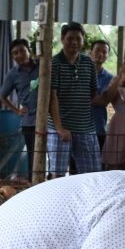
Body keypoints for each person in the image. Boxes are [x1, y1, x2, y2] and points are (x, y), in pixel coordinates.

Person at [47, 22, 100, 177]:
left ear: (83, 41)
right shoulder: (54, 63)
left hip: (86, 128)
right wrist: (59, 128)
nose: (74, 42)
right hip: (60, 129)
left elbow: (92, 93)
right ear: (62, 39)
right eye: (70, 38)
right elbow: (52, 98)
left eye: (78, 38)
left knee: (92, 174)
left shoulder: (89, 63)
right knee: (57, 175)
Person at [0, 39, 39, 177]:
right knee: (33, 156)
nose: (19, 55)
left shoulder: (42, 66)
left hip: (49, 120)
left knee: (52, 154)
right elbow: (1, 96)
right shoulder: (13, 74)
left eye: (22, 51)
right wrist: (17, 110)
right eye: (15, 53)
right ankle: (34, 185)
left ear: (29, 51)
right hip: (29, 121)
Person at [91, 40, 114, 149]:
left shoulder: (109, 78)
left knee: (99, 163)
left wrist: (83, 96)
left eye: (104, 52)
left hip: (99, 127)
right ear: (91, 52)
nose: (100, 54)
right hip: (79, 127)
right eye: (97, 50)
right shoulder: (80, 72)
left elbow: (104, 101)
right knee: (74, 164)